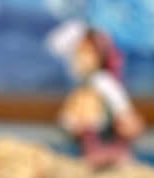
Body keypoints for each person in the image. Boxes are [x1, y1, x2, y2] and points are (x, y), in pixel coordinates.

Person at [47, 20, 145, 167]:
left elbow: (123, 112)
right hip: (90, 151)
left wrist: (126, 122)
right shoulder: (82, 89)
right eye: (78, 52)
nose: (81, 58)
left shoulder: (104, 83)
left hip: (110, 148)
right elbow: (67, 121)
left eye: (87, 52)